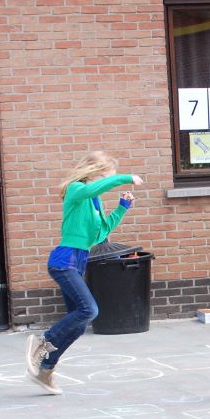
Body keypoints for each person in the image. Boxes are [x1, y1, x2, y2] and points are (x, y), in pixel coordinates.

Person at [25, 151, 142, 395]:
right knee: (90, 310)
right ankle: (43, 343)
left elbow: (100, 235)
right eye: (105, 177)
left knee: (78, 324)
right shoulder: (76, 190)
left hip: (78, 262)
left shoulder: (94, 201)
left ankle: (45, 370)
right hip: (63, 261)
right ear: (95, 172)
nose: (105, 184)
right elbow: (94, 188)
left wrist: (122, 207)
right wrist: (125, 177)